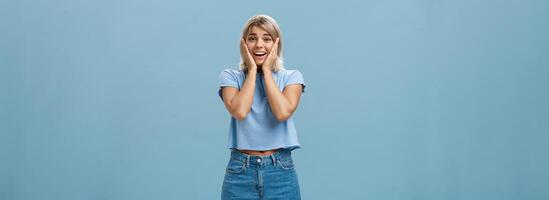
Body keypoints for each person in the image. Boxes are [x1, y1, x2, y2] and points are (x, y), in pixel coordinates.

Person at [218, 14, 306, 200]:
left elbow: (282, 112)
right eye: (252, 38)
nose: (259, 44)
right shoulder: (231, 77)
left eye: (266, 39)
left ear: (276, 44)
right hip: (240, 171)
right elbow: (239, 111)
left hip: (280, 170)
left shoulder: (292, 77)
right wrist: (251, 71)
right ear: (244, 44)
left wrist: (266, 70)